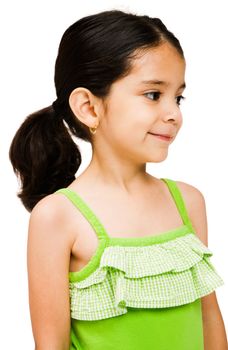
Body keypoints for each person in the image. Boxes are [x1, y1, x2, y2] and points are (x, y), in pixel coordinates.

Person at [9, 9, 227, 350]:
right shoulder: (57, 216)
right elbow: (51, 345)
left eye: (178, 97)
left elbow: (210, 318)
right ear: (89, 107)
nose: (174, 113)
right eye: (154, 94)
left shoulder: (189, 201)